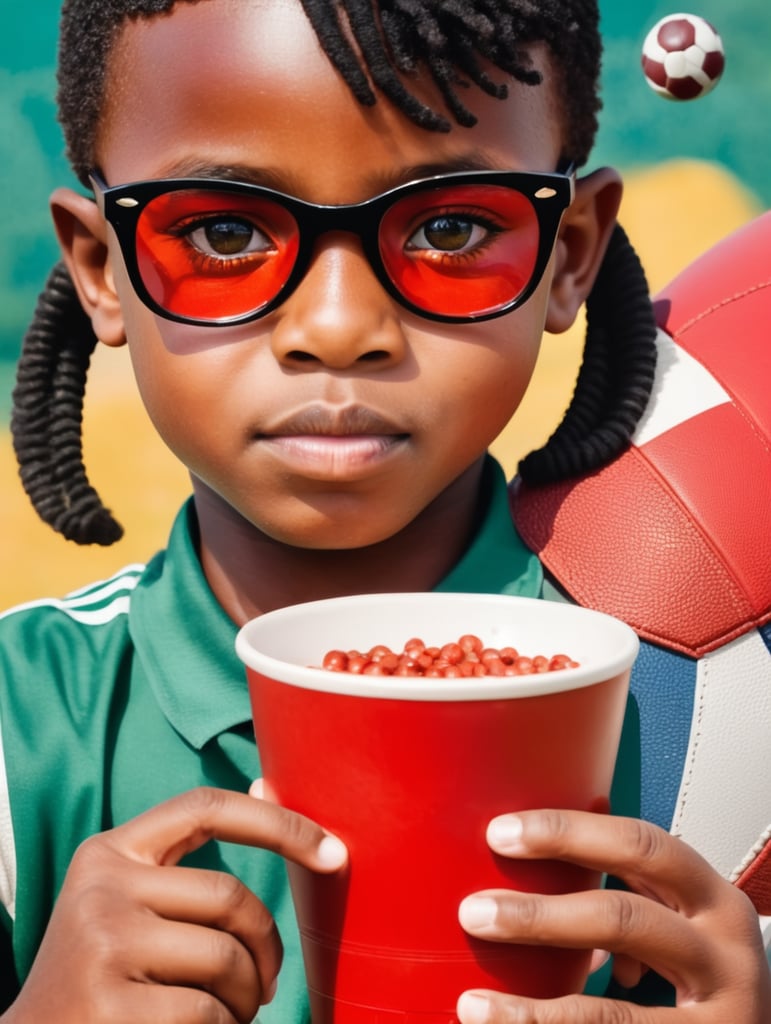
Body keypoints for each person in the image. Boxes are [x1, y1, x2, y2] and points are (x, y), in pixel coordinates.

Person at [1, 0, 769, 1020]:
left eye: (450, 228)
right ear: (102, 268)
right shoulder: (23, 733)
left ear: (569, 253)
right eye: (223, 231)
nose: (338, 326)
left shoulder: (717, 708)